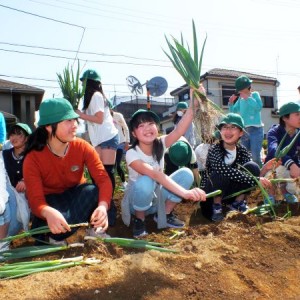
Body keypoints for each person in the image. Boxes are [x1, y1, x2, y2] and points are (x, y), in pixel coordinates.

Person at [23, 98, 113, 245]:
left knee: (93, 191)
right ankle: (51, 232)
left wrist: (103, 206)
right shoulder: (33, 158)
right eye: (67, 121)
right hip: (50, 200)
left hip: (75, 193)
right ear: (49, 127)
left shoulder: (82, 147)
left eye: (74, 120)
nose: (75, 125)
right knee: (58, 224)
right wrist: (47, 212)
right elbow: (35, 199)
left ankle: (94, 230)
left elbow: (103, 179)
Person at [121, 88, 207, 238]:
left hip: (156, 199)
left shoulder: (161, 143)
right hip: (136, 202)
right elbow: (156, 175)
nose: (147, 128)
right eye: (141, 126)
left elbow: (179, 130)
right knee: (146, 180)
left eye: (150, 123)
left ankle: (164, 214)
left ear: (157, 127)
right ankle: (139, 220)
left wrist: (194, 104)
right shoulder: (131, 153)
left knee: (186, 173)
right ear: (134, 133)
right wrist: (185, 193)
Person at [200, 113, 272, 222]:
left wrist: (266, 168)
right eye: (225, 127)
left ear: (241, 133)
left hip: (229, 194)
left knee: (252, 167)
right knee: (222, 173)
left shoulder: (242, 150)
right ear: (220, 131)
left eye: (233, 127)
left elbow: (251, 174)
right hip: (210, 196)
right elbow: (223, 169)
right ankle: (217, 207)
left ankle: (237, 203)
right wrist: (255, 179)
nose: (228, 131)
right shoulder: (215, 149)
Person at [76, 69, 119, 226]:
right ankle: (101, 202)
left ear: (89, 83)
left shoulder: (96, 96)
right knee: (97, 173)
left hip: (107, 137)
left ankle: (109, 206)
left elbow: (99, 119)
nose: (82, 85)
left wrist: (80, 114)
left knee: (106, 172)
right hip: (99, 139)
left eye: (83, 82)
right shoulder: (91, 99)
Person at [262, 102, 300, 203]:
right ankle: (270, 194)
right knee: (278, 169)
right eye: (297, 114)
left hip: (292, 170)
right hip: (274, 168)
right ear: (285, 118)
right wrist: (291, 164)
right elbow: (275, 150)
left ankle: (286, 191)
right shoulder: (274, 132)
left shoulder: (298, 133)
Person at [228, 75, 264, 166]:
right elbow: (233, 112)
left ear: (247, 87)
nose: (239, 91)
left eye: (240, 89)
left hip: (256, 129)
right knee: (245, 156)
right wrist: (231, 103)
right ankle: (247, 175)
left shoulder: (255, 95)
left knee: (256, 156)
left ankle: (259, 175)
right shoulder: (240, 99)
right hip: (244, 131)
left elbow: (258, 107)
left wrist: (247, 98)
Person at [3, 123, 32, 191]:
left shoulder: (32, 155)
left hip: (29, 195)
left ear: (27, 138)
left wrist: (26, 180)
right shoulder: (4, 155)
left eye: (19, 134)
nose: (14, 138)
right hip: (9, 194)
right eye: (12, 135)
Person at [110, 103, 130, 189]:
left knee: (117, 164)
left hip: (120, 143)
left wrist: (127, 141)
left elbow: (125, 128)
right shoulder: (104, 118)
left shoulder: (118, 116)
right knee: (110, 166)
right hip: (110, 144)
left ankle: (124, 182)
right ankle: (110, 185)